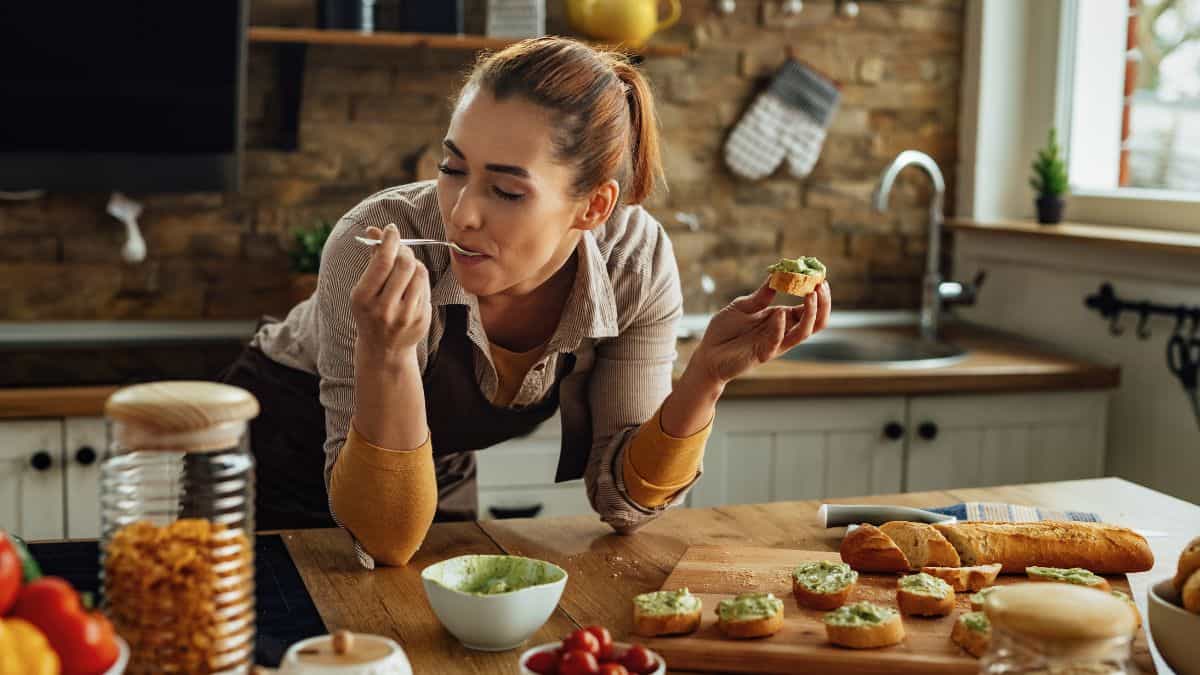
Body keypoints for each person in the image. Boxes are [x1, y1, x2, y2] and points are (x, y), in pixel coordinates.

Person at [222, 36, 831, 566]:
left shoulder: (633, 263)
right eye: (452, 168)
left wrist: (702, 379)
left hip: (431, 461)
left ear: (593, 207)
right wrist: (385, 357)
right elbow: (379, 538)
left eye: (507, 191)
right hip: (281, 453)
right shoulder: (376, 242)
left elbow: (623, 503)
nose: (461, 215)